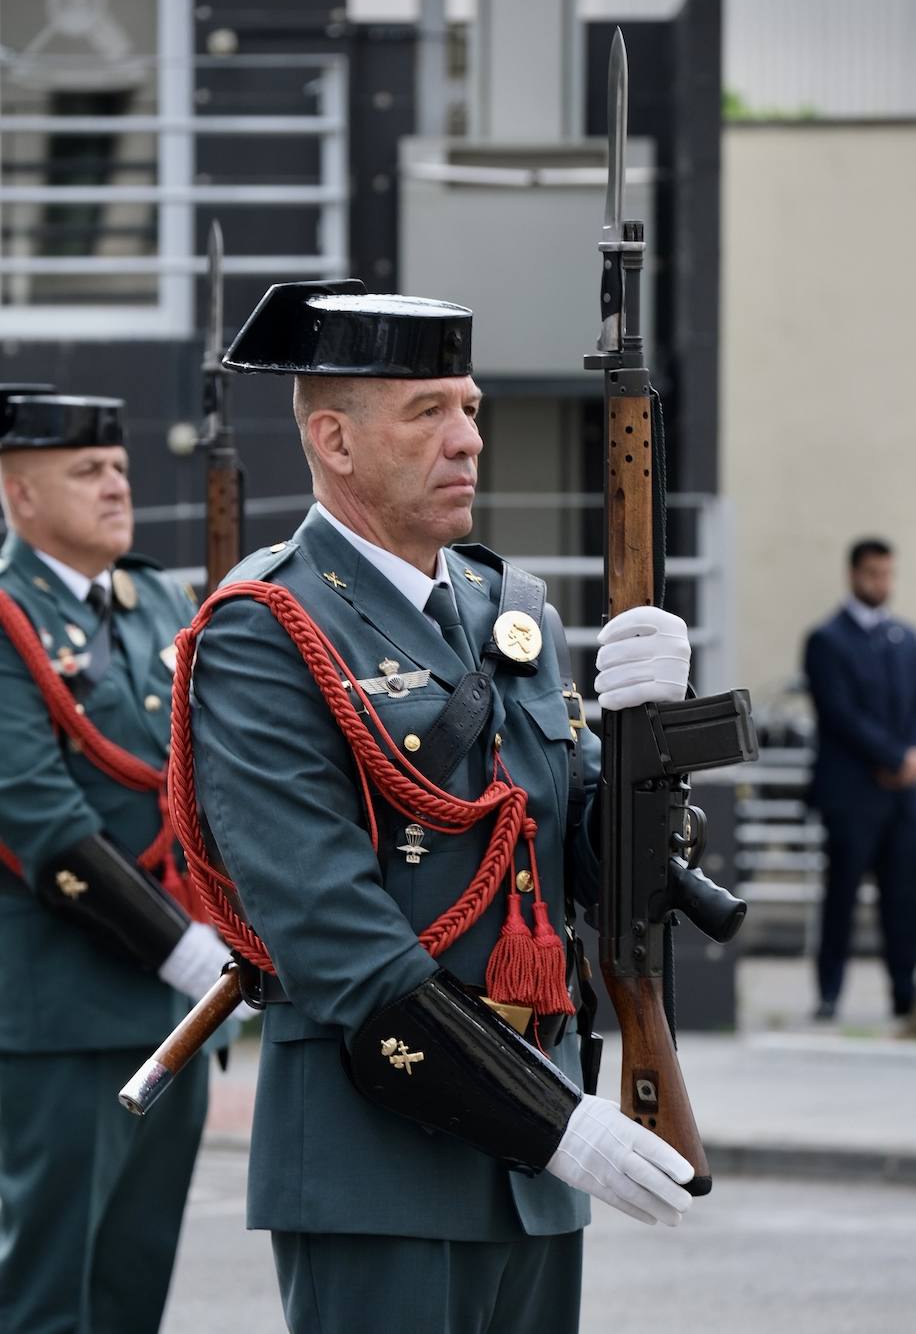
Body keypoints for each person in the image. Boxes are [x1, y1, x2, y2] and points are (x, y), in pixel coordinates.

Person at [187, 282, 695, 1334]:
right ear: (333, 437)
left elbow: (579, 854)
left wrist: (653, 746)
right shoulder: (268, 626)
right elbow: (334, 940)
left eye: (469, 408)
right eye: (428, 413)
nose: (467, 439)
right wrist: (559, 1127)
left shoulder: (507, 609)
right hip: (381, 1156)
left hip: (535, 1164)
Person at [0, 387, 249, 1334]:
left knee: (131, 1289)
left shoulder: (158, 604)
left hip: (173, 1017)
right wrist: (182, 954)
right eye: (85, 472)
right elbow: (39, 817)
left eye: (119, 471)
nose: (115, 488)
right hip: (68, 1011)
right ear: (21, 497)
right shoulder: (9, 618)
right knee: (46, 1292)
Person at [804, 537, 916, 1023]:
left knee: (903, 898)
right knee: (842, 898)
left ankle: (903, 994)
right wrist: (893, 756)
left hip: (902, 796)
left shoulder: (904, 638)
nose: (881, 583)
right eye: (873, 574)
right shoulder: (827, 639)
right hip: (852, 794)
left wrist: (909, 758)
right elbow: (839, 713)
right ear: (854, 574)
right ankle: (829, 994)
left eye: (888, 574)